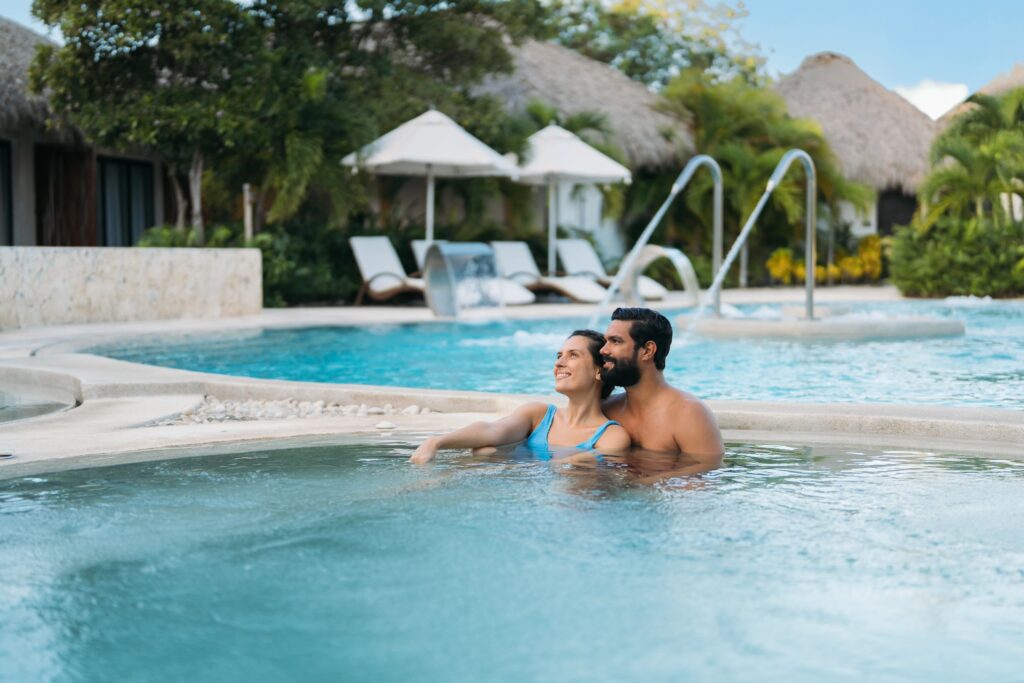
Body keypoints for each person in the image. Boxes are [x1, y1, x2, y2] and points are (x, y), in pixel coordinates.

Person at [409, 330, 630, 464]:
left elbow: (573, 472)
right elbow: (491, 430)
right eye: (559, 355)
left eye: (573, 355)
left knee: (486, 453)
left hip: (572, 509)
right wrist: (435, 443)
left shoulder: (611, 436)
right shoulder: (538, 415)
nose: (559, 363)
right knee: (483, 450)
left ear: (598, 371)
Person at [600, 307, 724, 473]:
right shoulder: (607, 408)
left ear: (647, 351)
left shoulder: (687, 413)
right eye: (605, 341)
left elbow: (707, 476)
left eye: (615, 341)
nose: (603, 350)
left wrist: (644, 486)